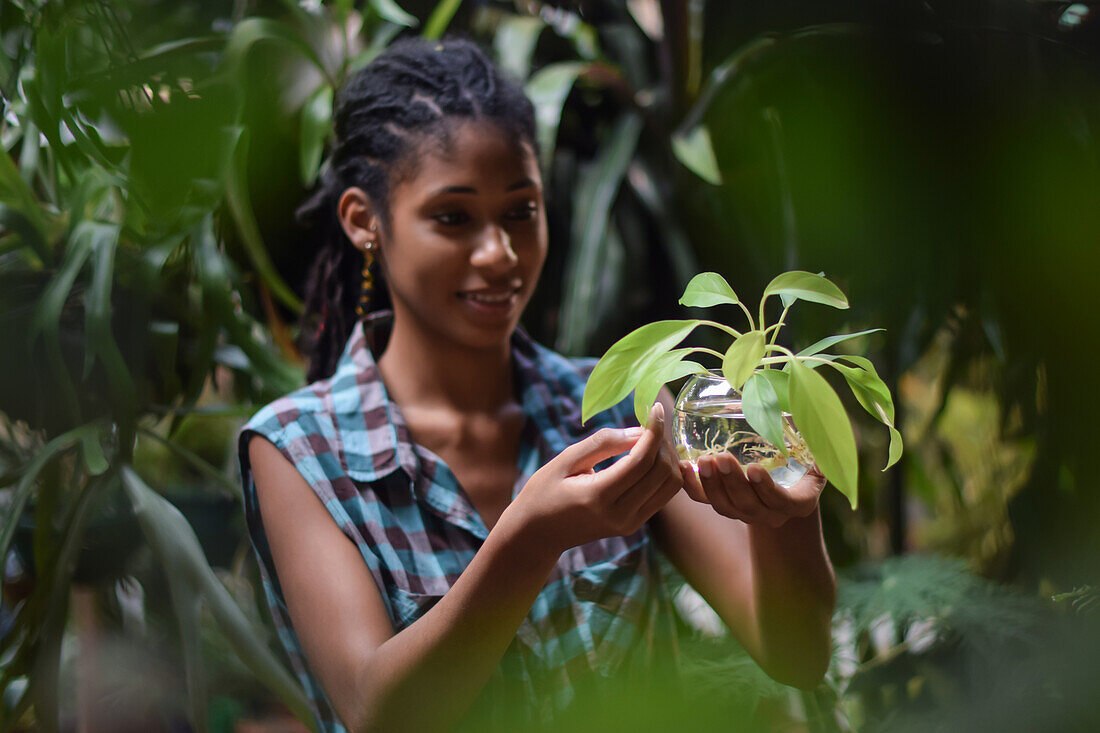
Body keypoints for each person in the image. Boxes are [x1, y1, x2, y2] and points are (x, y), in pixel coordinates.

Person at [238, 37, 836, 733]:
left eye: (521, 210)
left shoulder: (624, 403)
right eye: (453, 218)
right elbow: (378, 710)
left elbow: (797, 653)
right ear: (364, 222)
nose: (500, 254)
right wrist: (529, 538)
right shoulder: (298, 449)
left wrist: (787, 517)